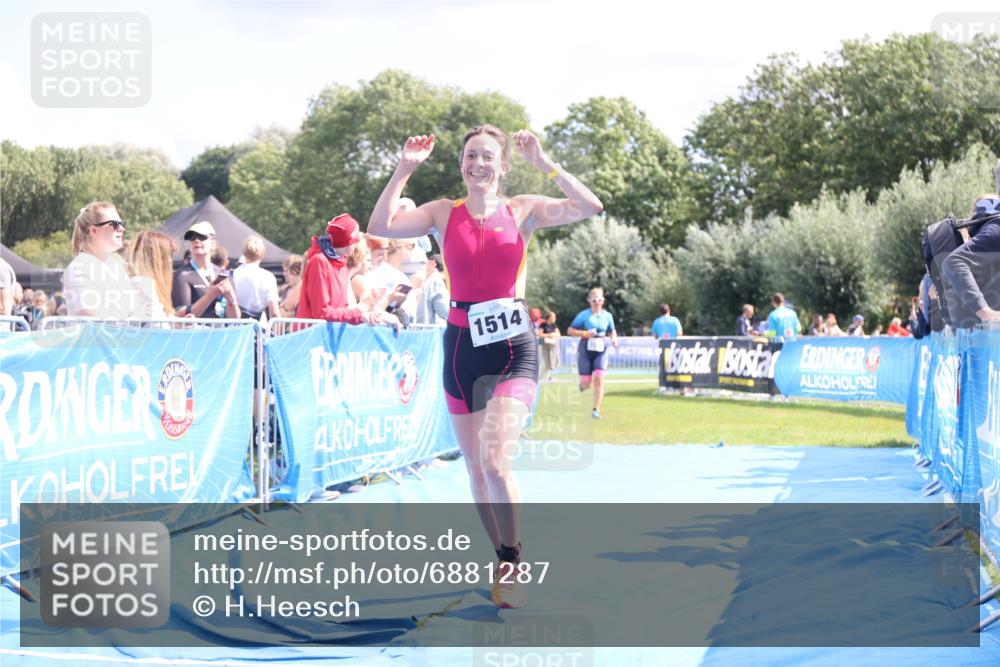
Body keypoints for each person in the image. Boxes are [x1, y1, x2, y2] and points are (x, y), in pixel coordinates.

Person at [367, 126, 602, 608]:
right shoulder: (441, 212)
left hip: (513, 348)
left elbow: (590, 206)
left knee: (495, 462)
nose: (479, 163)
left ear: (503, 165)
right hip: (461, 349)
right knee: (476, 469)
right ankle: (503, 555)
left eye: (488, 156)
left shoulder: (523, 209)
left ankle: (513, 561)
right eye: (471, 155)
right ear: (461, 164)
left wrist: (545, 163)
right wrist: (404, 170)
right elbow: (381, 225)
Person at [298, 213, 398, 326]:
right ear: (347, 241)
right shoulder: (319, 261)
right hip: (312, 334)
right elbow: (321, 313)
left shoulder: (341, 263)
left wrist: (378, 314)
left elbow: (344, 310)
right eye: (355, 240)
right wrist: (359, 314)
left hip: (331, 333)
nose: (357, 243)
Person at [63, 201, 140, 318]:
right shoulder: (80, 267)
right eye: (114, 224)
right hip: (103, 330)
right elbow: (88, 315)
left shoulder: (115, 266)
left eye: (122, 223)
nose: (121, 228)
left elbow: (135, 310)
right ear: (94, 230)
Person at [941, 194, 1000, 325]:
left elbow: (954, 261)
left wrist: (984, 312)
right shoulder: (994, 229)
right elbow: (953, 261)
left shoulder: (994, 229)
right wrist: (985, 312)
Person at [171, 221, 240, 319]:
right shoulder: (182, 275)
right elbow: (181, 317)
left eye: (202, 237)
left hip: (221, 329)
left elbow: (235, 319)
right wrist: (210, 296)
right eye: (192, 238)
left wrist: (232, 301)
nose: (196, 240)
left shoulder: (223, 274)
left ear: (213, 244)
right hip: (196, 329)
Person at [568, 287, 618, 419]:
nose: (597, 302)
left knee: (599, 379)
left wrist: (614, 338)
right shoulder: (583, 315)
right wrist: (585, 333)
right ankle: (582, 386)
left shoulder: (607, 316)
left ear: (603, 301)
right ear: (589, 301)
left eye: (599, 300)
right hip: (585, 348)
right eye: (594, 300)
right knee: (586, 383)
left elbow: (612, 330)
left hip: (601, 349)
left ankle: (596, 410)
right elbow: (570, 330)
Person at [128, 231, 177, 319]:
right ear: (156, 257)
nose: (170, 260)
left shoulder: (142, 282)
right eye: (169, 254)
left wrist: (180, 323)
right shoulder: (142, 283)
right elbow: (156, 322)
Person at [231, 236, 280, 320]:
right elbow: (274, 311)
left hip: (235, 323)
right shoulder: (267, 277)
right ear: (262, 254)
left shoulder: (233, 274)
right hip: (258, 325)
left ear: (244, 253)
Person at [415, 254, 449, 326]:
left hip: (418, 327)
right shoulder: (436, 281)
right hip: (432, 329)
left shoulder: (422, 279)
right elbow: (444, 311)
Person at [538, 310, 561, 382]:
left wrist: (553, 335)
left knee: (552, 362)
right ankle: (542, 377)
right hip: (544, 346)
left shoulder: (554, 325)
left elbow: (558, 334)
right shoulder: (543, 325)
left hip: (552, 346)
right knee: (545, 362)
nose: (555, 318)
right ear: (549, 318)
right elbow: (540, 334)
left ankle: (548, 377)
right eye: (553, 317)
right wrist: (549, 335)